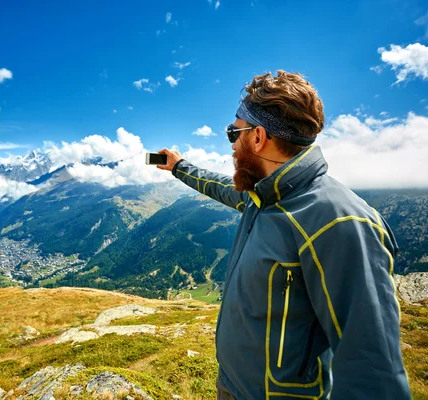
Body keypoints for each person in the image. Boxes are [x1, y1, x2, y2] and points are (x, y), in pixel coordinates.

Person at [156, 70, 411, 399]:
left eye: (233, 133)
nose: (232, 146)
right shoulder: (263, 196)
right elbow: (221, 187)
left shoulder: (339, 221)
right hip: (234, 389)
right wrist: (179, 166)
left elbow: (374, 373)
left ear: (258, 136)